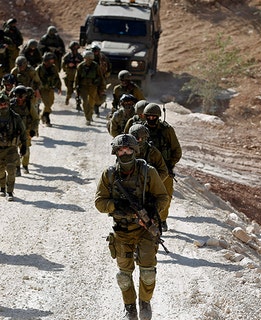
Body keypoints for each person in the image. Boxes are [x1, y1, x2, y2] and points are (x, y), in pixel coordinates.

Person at [94, 134, 169, 320]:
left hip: (145, 230)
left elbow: (163, 197)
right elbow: (99, 202)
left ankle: (145, 302)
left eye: (128, 149)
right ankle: (129, 308)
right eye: (121, 150)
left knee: (148, 273)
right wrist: (117, 206)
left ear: (135, 150)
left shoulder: (148, 172)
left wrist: (151, 212)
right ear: (115, 152)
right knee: (124, 276)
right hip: (122, 232)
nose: (124, 153)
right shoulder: (109, 174)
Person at [142, 103, 182, 231]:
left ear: (158, 117)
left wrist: (170, 165)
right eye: (149, 116)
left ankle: (162, 219)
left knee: (166, 196)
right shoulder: (140, 130)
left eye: (154, 117)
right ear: (145, 116)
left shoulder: (167, 130)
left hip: (164, 170)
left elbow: (177, 150)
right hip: (145, 170)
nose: (152, 119)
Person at [0, 93, 27, 201]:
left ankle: (10, 191)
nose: (3, 106)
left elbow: (22, 132)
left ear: (8, 104)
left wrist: (24, 146)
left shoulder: (15, 117)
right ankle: (2, 188)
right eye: (1, 104)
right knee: (0, 170)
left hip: (11, 149)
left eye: (5, 104)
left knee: (11, 170)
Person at [10, 85, 40, 175]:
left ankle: (25, 165)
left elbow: (36, 118)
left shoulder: (28, 105)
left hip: (26, 131)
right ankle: (17, 167)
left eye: (22, 96)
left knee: (25, 149)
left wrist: (33, 130)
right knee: (14, 149)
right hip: (14, 131)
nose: (20, 99)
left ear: (25, 96)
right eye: (18, 96)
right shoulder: (11, 105)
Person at [75, 50, 105, 125]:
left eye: (89, 59)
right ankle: (87, 118)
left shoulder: (95, 66)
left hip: (93, 87)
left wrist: (102, 88)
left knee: (91, 102)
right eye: (86, 59)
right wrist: (76, 88)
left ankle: (90, 115)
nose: (87, 60)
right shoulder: (80, 66)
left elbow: (101, 77)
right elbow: (77, 78)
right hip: (83, 87)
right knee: (85, 102)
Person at [36, 52, 62, 127]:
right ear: (45, 61)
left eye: (52, 60)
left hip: (50, 88)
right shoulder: (39, 69)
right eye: (50, 60)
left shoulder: (53, 68)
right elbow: (35, 80)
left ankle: (43, 115)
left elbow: (57, 77)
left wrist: (59, 87)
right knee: (47, 104)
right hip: (42, 89)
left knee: (51, 103)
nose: (52, 62)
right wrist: (36, 90)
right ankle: (46, 118)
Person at [61, 41, 83, 109]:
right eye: (73, 48)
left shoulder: (80, 56)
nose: (75, 50)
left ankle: (78, 104)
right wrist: (68, 65)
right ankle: (67, 98)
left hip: (78, 75)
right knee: (69, 91)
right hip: (70, 75)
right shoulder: (67, 56)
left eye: (76, 48)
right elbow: (63, 65)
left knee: (78, 90)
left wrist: (78, 65)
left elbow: (83, 65)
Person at [91, 45, 111, 117]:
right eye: (94, 51)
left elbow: (108, 68)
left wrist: (105, 76)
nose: (95, 52)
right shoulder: (90, 58)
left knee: (101, 94)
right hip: (91, 80)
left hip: (101, 79)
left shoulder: (103, 58)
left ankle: (97, 105)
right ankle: (94, 108)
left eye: (96, 51)